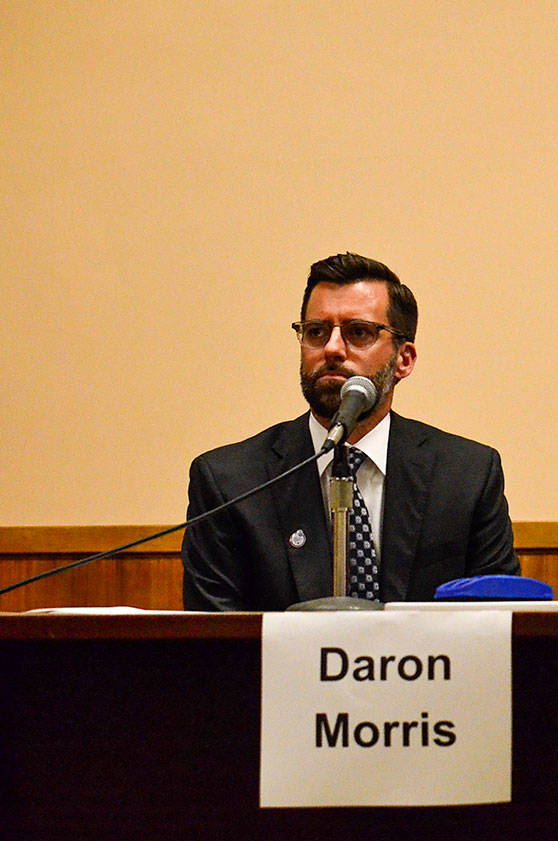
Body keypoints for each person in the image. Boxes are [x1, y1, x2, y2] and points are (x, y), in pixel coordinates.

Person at [182, 253, 519, 611]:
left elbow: (498, 620)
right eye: (316, 331)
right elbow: (216, 633)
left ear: (404, 359)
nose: (332, 348)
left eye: (359, 332)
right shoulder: (230, 482)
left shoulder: (467, 476)